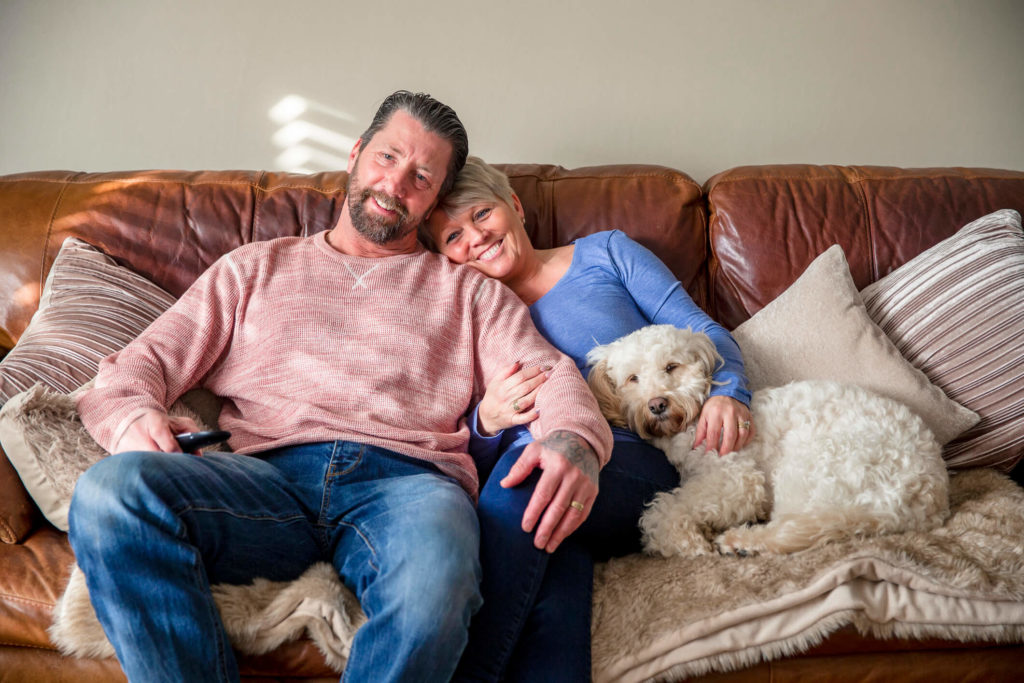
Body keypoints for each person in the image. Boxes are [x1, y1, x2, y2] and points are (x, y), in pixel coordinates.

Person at [67, 93, 613, 683]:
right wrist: (130, 419)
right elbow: (137, 366)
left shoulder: (469, 293)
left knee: (439, 578)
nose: (395, 182)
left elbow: (551, 374)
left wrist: (575, 440)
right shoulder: (252, 268)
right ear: (355, 155)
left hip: (409, 488)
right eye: (387, 157)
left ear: (433, 201)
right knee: (108, 493)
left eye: (421, 176)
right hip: (264, 482)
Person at [423, 157, 755, 682]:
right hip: (536, 482)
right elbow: (459, 444)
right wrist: (486, 420)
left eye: (482, 213)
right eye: (453, 237)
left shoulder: (605, 253)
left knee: (530, 485)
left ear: (514, 205)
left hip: (631, 459)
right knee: (556, 558)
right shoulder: (468, 309)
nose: (475, 238)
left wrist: (729, 392)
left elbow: (700, 329)